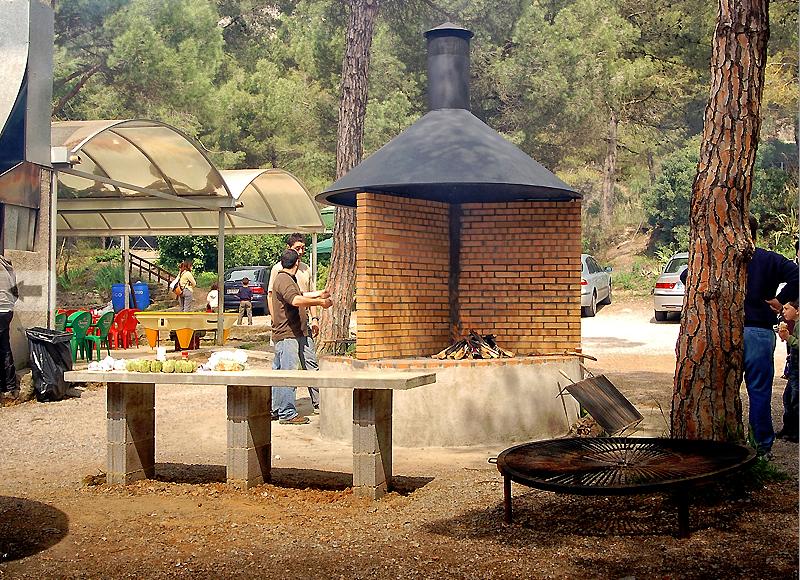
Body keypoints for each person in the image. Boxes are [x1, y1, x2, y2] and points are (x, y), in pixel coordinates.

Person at [742, 216, 798, 456]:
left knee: (721, 390)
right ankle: (761, 448)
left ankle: (725, 444)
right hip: (760, 332)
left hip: (727, 331)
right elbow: (797, 274)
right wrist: (781, 300)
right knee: (759, 391)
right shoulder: (768, 259)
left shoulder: (721, 258)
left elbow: (686, 276)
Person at [271, 248, 332, 425]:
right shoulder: (284, 279)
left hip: (297, 332)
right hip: (287, 334)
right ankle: (287, 413)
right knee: (288, 373)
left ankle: (277, 409)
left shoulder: (286, 278)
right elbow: (295, 300)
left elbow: (299, 295)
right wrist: (320, 302)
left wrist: (319, 293)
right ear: (297, 262)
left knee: (282, 372)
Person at [268, 233, 322, 413]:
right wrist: (275, 320)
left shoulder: (305, 270)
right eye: (297, 248)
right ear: (289, 249)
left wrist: (315, 316)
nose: (301, 251)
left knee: (310, 363)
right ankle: (284, 410)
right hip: (286, 329)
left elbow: (304, 294)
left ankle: (318, 402)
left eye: (303, 248)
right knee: (286, 369)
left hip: (302, 327)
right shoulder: (281, 273)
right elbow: (293, 299)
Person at [776, 300, 799, 443]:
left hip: (798, 370)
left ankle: (795, 431)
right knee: (788, 398)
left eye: (786, 308)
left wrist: (788, 338)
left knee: (795, 399)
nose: (783, 311)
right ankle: (788, 428)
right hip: (794, 368)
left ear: (797, 310)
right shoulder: (796, 324)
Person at [0, 255, 18, 395]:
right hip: (7, 310)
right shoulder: (6, 264)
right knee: (4, 347)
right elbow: (16, 293)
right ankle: (10, 386)